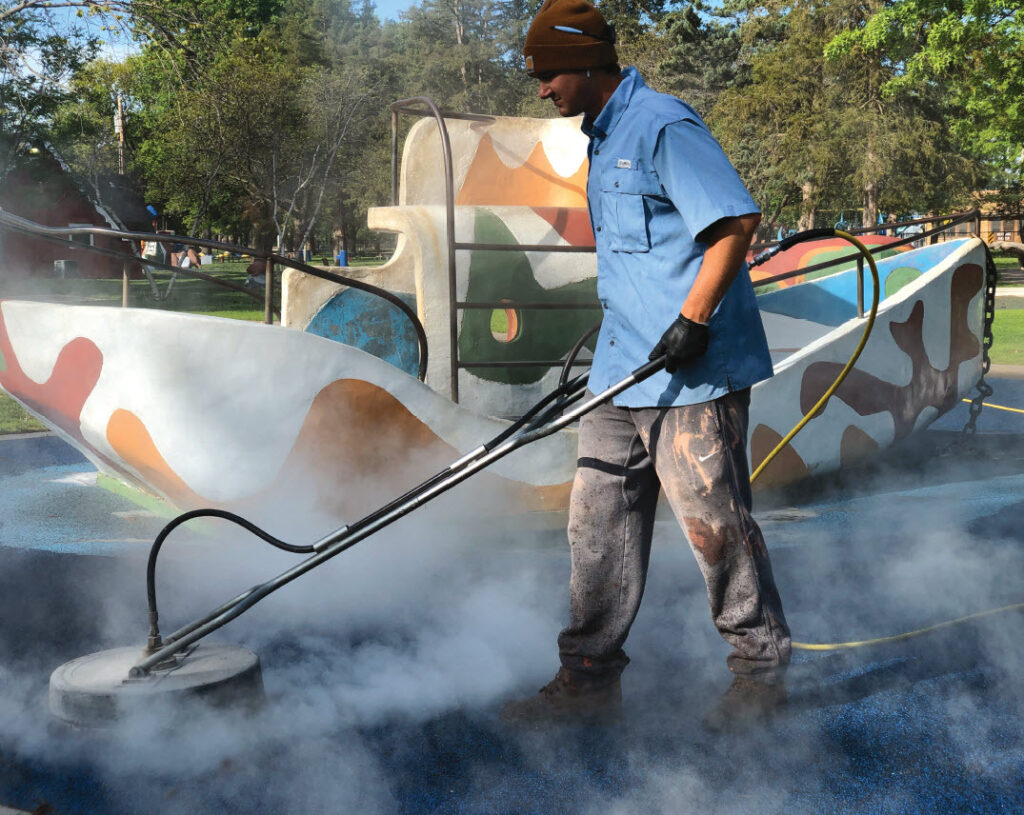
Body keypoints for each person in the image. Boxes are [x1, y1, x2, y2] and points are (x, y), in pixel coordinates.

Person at [500, 0, 791, 729]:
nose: (543, 89)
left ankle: (760, 677)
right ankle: (589, 677)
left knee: (713, 526)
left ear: (588, 60)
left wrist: (693, 319)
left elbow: (735, 225)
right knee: (595, 524)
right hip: (622, 369)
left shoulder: (664, 124)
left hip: (692, 373)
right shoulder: (601, 137)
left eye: (549, 73)